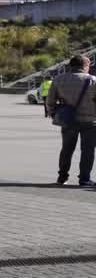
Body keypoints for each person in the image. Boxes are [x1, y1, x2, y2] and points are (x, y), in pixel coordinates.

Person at [46, 55, 96, 187]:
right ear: (85, 66)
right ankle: (84, 179)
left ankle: (62, 177)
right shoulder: (93, 80)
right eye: (88, 65)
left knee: (67, 149)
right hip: (90, 121)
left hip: (68, 120)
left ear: (71, 65)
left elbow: (50, 100)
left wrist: (53, 113)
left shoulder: (58, 79)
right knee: (88, 151)